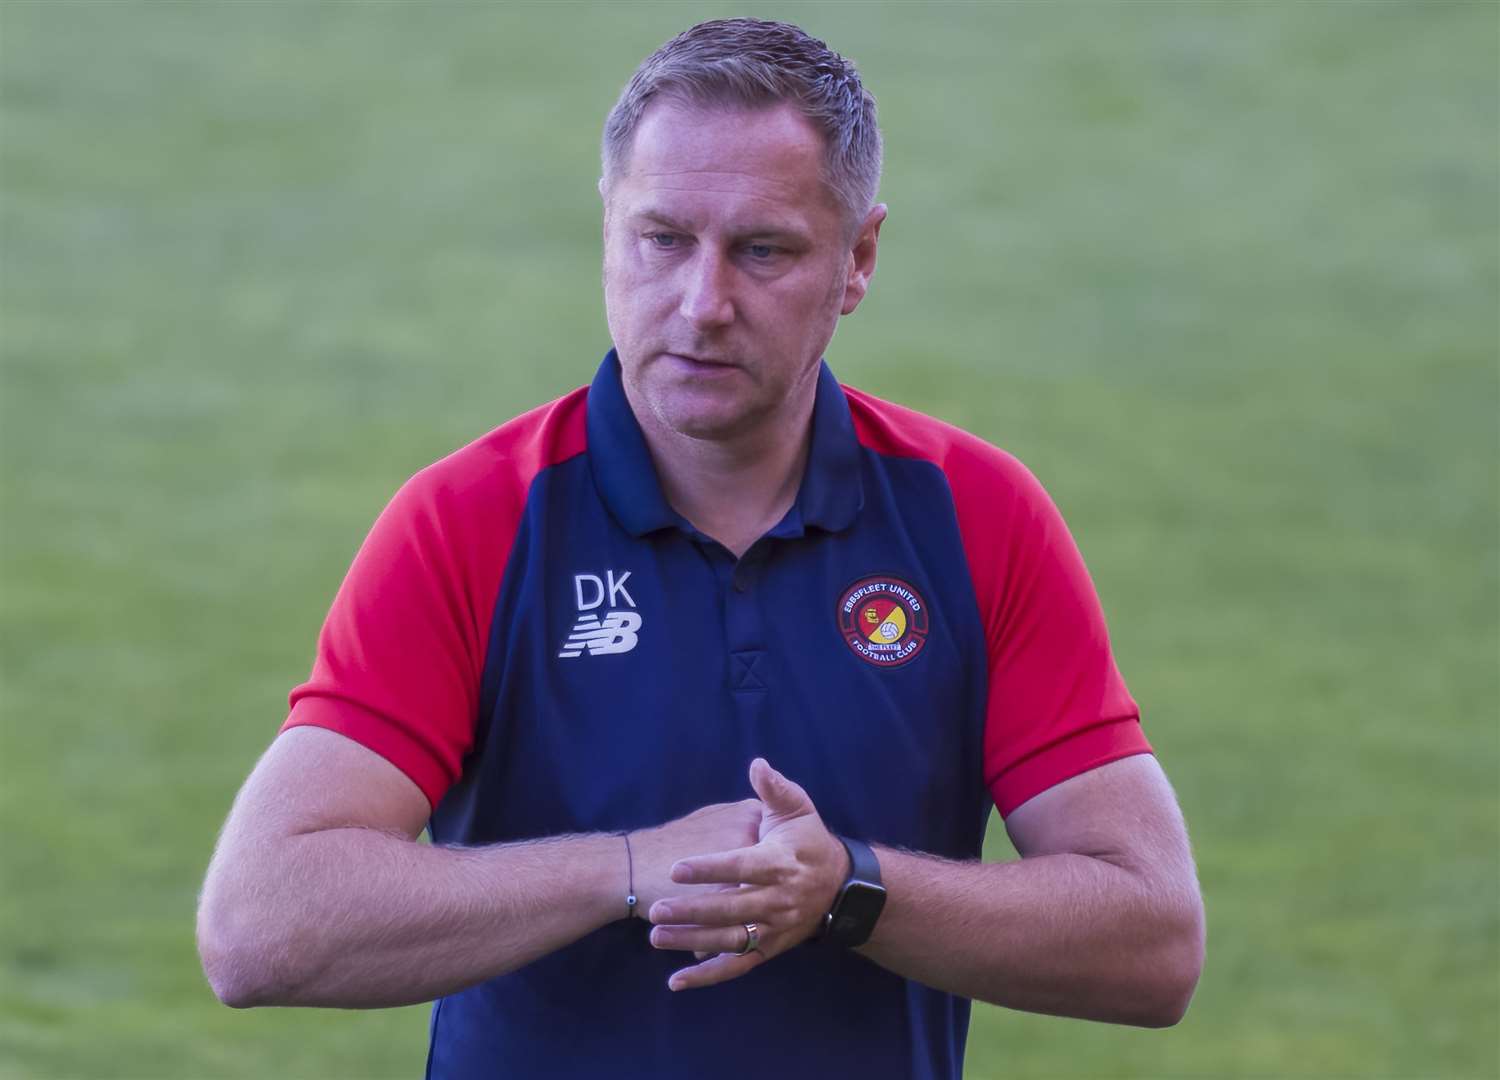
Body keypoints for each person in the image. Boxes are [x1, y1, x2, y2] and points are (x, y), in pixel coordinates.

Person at [196, 18, 1204, 1080]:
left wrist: (849, 890)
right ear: (606, 230)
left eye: (762, 249)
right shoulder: (470, 523)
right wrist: (629, 870)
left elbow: (1154, 939)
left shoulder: (975, 516)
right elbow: (260, 924)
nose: (703, 303)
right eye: (663, 239)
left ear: (858, 258)